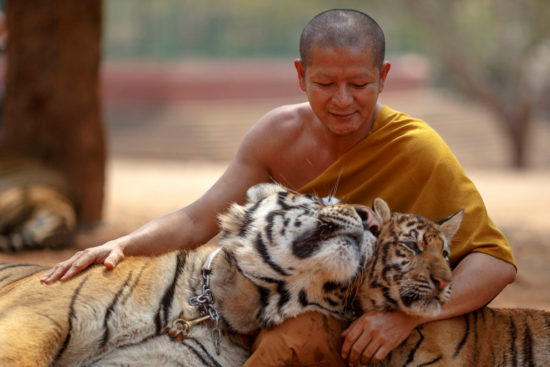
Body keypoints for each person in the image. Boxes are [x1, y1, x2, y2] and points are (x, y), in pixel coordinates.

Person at [41, 9, 516, 366]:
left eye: (360, 84)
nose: (343, 100)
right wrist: (122, 244)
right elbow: (196, 218)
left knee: (287, 339)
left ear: (384, 79)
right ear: (300, 75)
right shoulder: (277, 134)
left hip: (369, 316)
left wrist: (408, 317)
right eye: (326, 82)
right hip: (286, 297)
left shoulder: (418, 148)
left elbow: (494, 261)